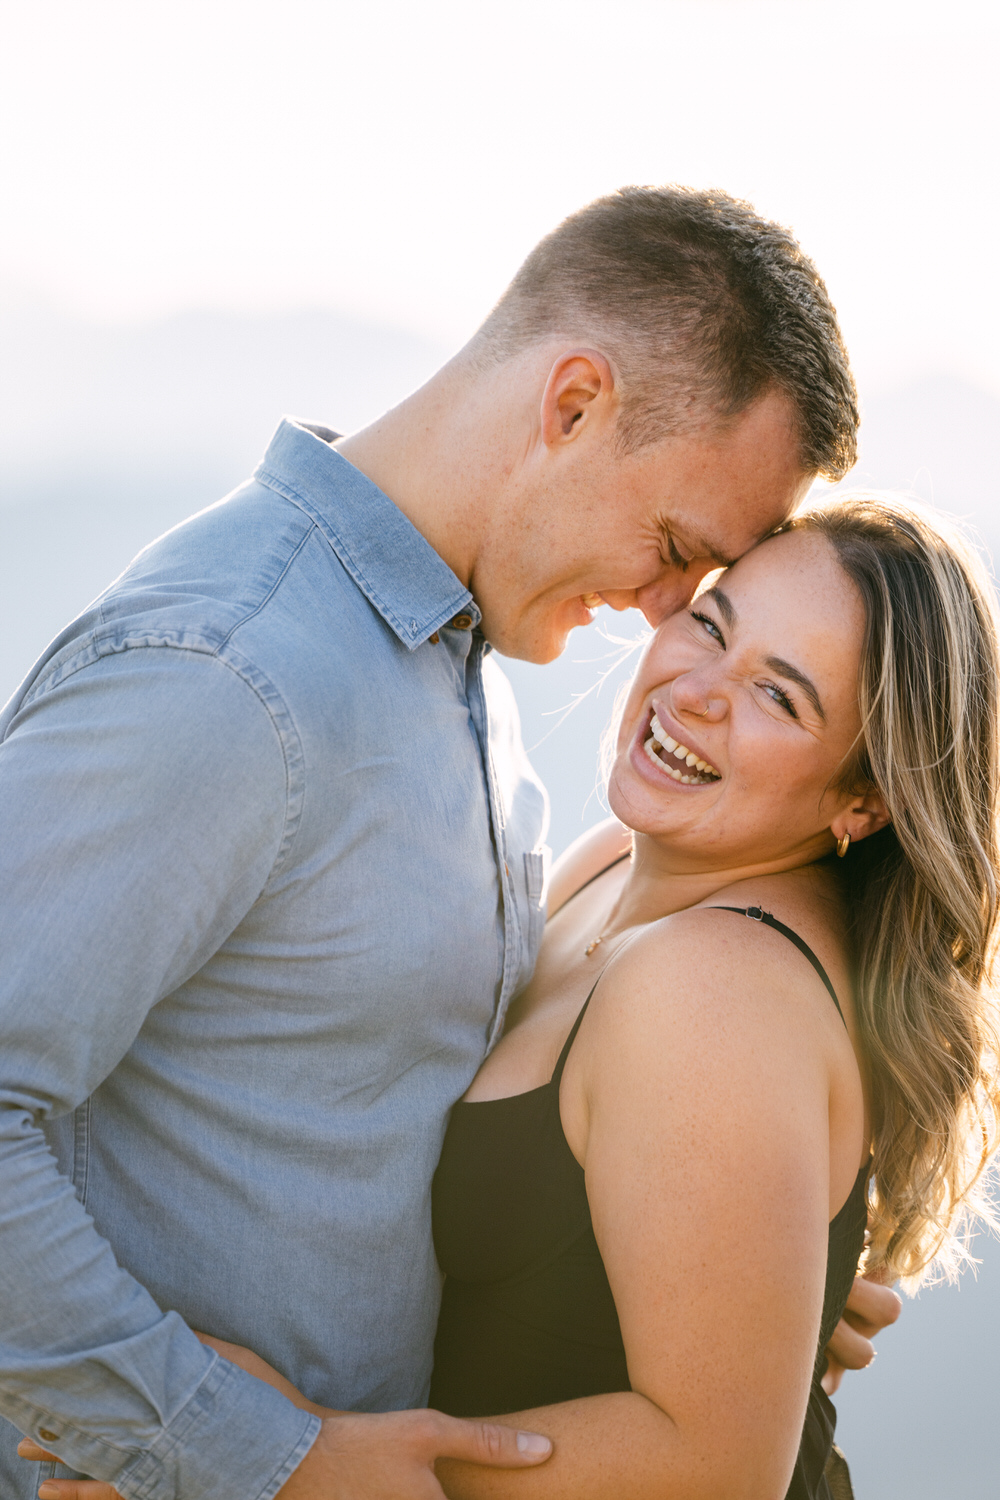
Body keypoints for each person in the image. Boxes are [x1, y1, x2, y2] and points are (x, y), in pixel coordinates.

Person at [0, 186, 892, 1500]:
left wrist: (730, 1270)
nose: (661, 614)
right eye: (675, 551)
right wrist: (241, 1452)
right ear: (573, 403)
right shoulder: (230, 675)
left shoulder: (450, 665)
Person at [27, 496, 999, 1500]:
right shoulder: (610, 867)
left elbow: (716, 1468)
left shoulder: (715, 986)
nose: (698, 690)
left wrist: (288, 1458)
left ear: (863, 799)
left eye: (779, 697)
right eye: (711, 623)